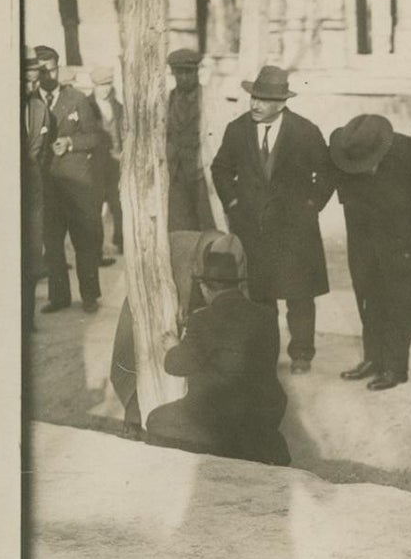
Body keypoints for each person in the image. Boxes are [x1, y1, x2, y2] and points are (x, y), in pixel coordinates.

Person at [210, 65, 336, 374]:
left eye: (263, 99)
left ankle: (302, 353)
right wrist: (234, 202)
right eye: (253, 97)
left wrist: (311, 205)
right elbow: (221, 168)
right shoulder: (237, 129)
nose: (255, 104)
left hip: (295, 230)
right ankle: (264, 353)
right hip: (253, 228)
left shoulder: (306, 131)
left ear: (281, 103)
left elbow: (328, 172)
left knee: (299, 295)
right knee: (259, 296)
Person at [330, 114, 411, 391]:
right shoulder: (344, 149)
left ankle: (395, 368)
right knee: (369, 298)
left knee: (403, 302)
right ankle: (373, 360)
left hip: (407, 243)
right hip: (365, 241)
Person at [144, 233, 291, 466]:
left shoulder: (203, 320)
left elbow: (176, 365)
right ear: (239, 282)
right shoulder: (267, 316)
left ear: (204, 287)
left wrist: (173, 347)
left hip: (220, 419)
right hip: (263, 413)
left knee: (156, 420)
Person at [109, 228, 226, 437]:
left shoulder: (227, 255)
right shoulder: (181, 258)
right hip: (155, 289)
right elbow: (180, 316)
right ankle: (135, 418)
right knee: (141, 348)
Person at [34, 44, 106, 314]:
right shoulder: (29, 102)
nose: (46, 77)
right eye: (41, 71)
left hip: (76, 183)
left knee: (83, 241)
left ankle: (89, 296)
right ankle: (59, 297)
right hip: (46, 184)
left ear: (58, 68)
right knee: (52, 244)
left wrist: (71, 142)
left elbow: (94, 137)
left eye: (51, 70)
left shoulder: (76, 99)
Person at [167, 48, 217, 232]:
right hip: (175, 172)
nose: (184, 78)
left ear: (196, 72)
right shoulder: (168, 98)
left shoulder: (209, 98)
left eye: (189, 73)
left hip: (201, 172)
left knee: (208, 221)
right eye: (179, 73)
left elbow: (216, 136)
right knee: (180, 226)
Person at [22, 47, 51, 331]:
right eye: (26, 80)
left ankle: (27, 320)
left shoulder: (40, 109)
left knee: (30, 256)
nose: (31, 86)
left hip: (32, 187)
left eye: (34, 81)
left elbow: (40, 152)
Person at [89, 66, 125, 255]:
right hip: (95, 164)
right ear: (93, 85)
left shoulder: (117, 106)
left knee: (118, 202)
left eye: (108, 84)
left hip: (116, 161)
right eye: (100, 85)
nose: (104, 89)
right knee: (94, 205)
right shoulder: (86, 105)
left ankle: (121, 241)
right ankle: (95, 249)